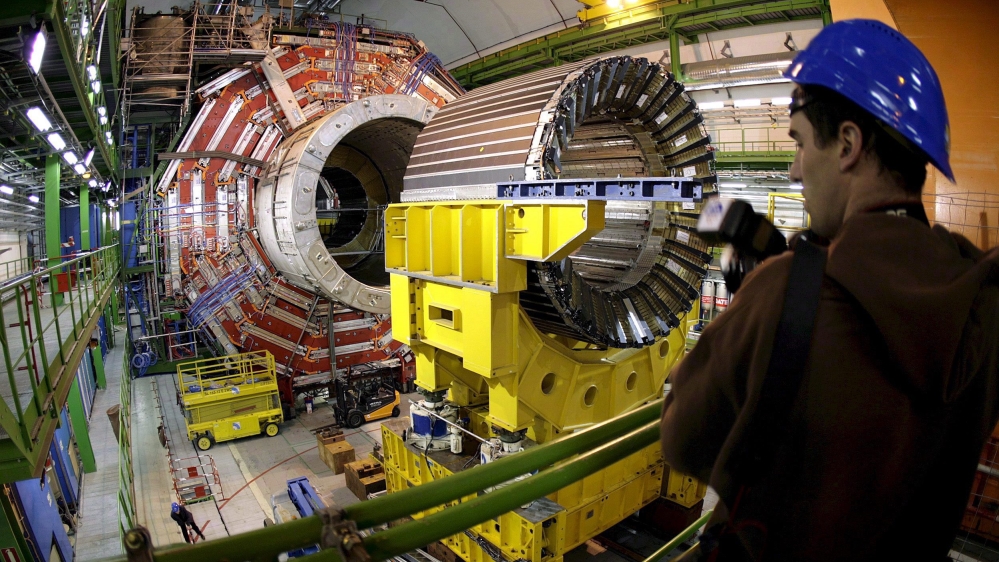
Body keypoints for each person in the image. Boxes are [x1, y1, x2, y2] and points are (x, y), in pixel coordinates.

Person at [660, 19, 999, 561]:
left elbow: (682, 435)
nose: (794, 170)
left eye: (797, 142)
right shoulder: (980, 298)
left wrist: (752, 304)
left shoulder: (784, 295)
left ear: (847, 144)